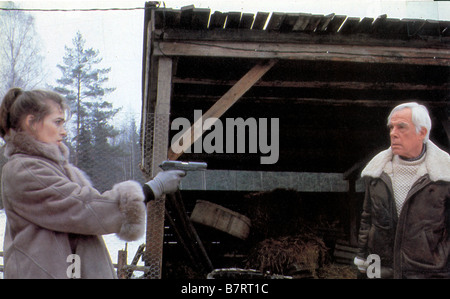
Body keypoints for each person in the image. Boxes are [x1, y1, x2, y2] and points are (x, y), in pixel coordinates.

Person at [0, 88, 185, 278]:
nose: (64, 132)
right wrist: (152, 189)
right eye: (57, 122)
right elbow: (83, 208)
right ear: (31, 122)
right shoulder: (24, 169)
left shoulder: (53, 167)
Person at [354, 102, 450, 279]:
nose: (393, 133)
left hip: (427, 272)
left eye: (401, 127)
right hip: (381, 270)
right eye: (391, 127)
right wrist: (362, 260)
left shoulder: (444, 175)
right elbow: (367, 219)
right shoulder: (377, 172)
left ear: (422, 132)